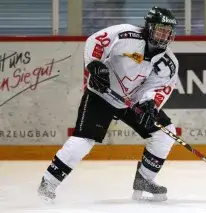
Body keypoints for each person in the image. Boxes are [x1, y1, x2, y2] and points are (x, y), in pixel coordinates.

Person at [37, 6, 179, 202]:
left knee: (165, 132)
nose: (164, 36)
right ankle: (48, 184)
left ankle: (144, 180)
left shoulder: (169, 62)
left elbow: (160, 87)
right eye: (160, 30)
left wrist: (150, 104)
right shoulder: (126, 34)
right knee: (83, 141)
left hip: (131, 102)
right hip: (102, 94)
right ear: (148, 27)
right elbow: (96, 41)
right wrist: (94, 64)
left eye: (168, 32)